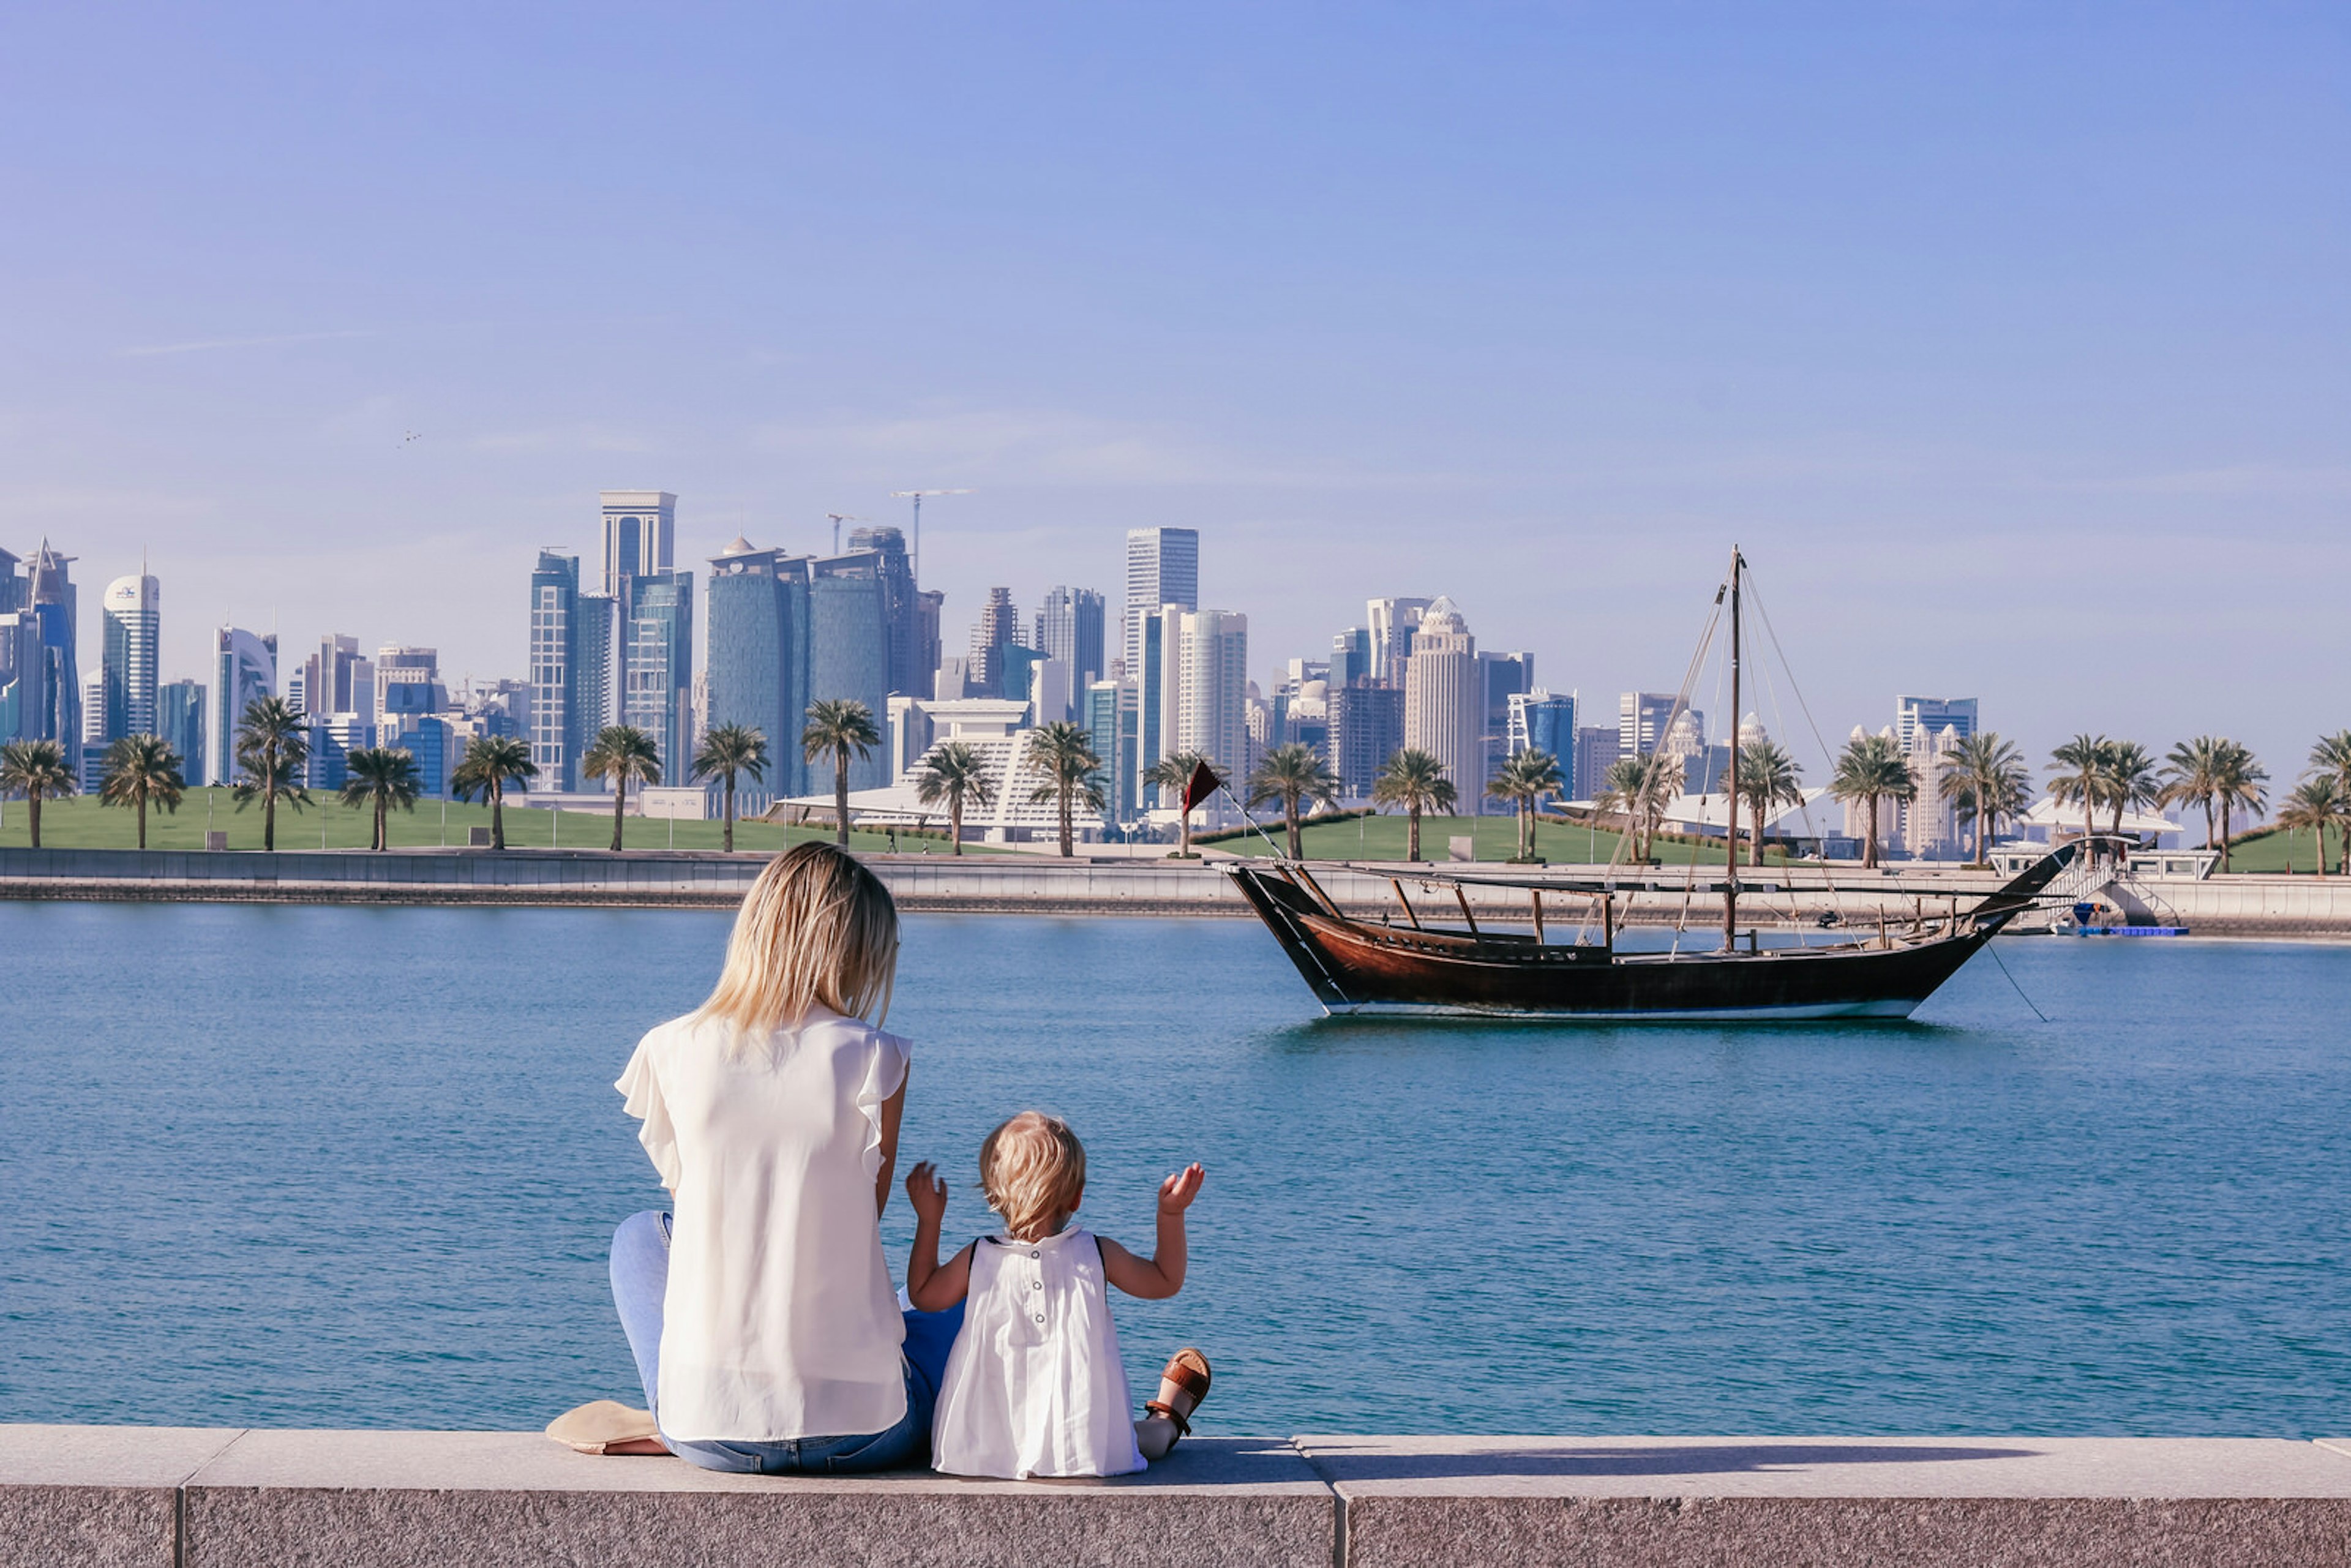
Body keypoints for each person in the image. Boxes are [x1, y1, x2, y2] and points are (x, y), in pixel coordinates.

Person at [602, 842, 963, 1473]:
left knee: (640, 1235)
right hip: (867, 1431)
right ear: (852, 952)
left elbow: (703, 1214)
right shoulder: (878, 1056)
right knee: (968, 1283)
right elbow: (859, 1217)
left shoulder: (668, 1047)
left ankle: (696, 1390)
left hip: (707, 1435)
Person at [903, 1111, 1212, 1479]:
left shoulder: (978, 1258)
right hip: (1086, 1442)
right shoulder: (1096, 1254)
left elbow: (923, 1295)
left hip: (986, 1449)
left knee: (1128, 1439)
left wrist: (929, 1222)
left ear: (993, 1195)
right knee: (1137, 1440)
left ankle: (1164, 1421)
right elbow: (1165, 1280)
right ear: (1077, 1197)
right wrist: (1171, 1215)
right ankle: (1165, 1421)